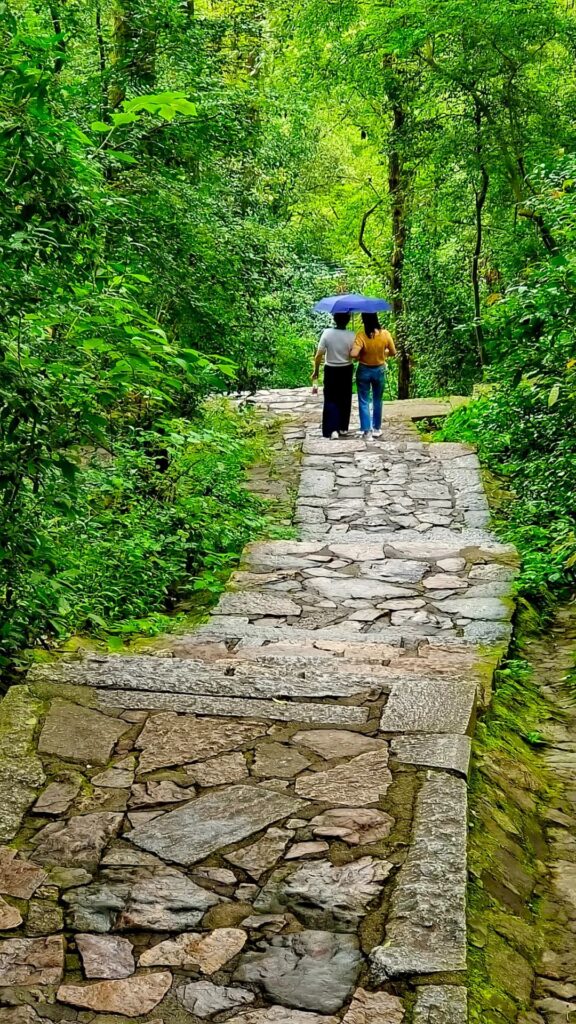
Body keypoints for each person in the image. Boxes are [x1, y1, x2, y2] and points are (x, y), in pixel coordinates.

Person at [351, 312, 397, 438]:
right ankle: (376, 428)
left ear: (364, 320)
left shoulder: (361, 335)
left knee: (364, 399)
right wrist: (383, 354)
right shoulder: (385, 334)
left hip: (364, 370)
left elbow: (354, 354)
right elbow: (393, 352)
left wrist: (361, 355)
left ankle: (366, 429)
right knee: (377, 399)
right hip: (379, 370)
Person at [312, 312, 356, 439]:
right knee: (345, 398)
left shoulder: (327, 333)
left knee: (331, 399)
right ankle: (343, 428)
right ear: (348, 320)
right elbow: (355, 355)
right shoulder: (352, 335)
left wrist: (316, 371)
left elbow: (319, 355)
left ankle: (332, 430)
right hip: (346, 369)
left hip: (331, 369)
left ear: (334, 319)